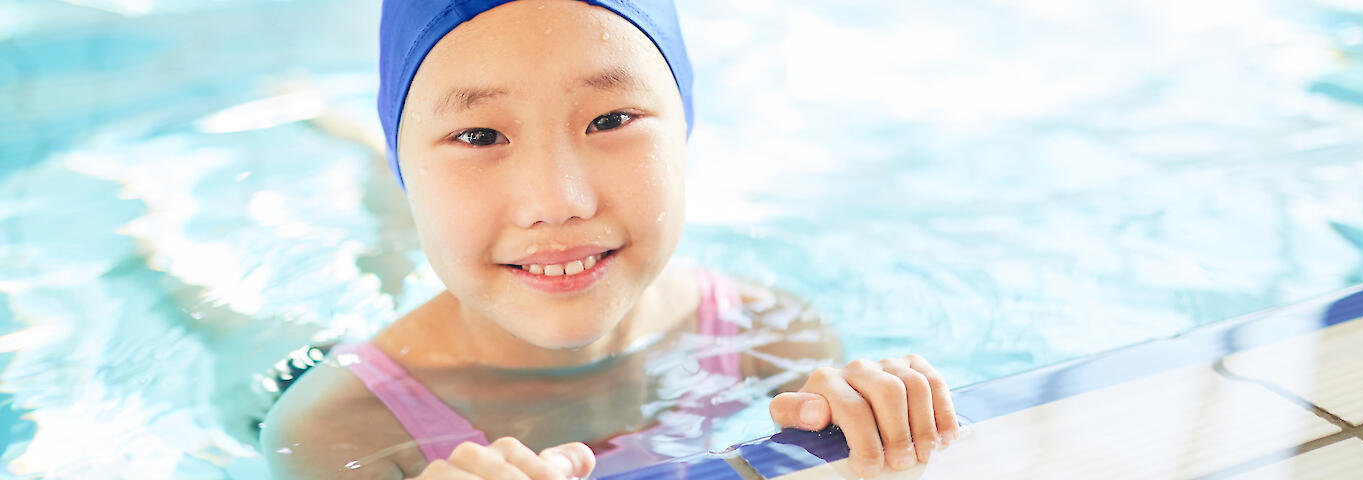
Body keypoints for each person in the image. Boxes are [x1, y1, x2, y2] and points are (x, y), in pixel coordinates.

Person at [258, 1, 964, 478]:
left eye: (611, 119)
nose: (558, 202)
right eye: (479, 135)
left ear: (684, 131)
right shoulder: (339, 428)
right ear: (409, 165)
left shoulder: (766, 334)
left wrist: (870, 425)